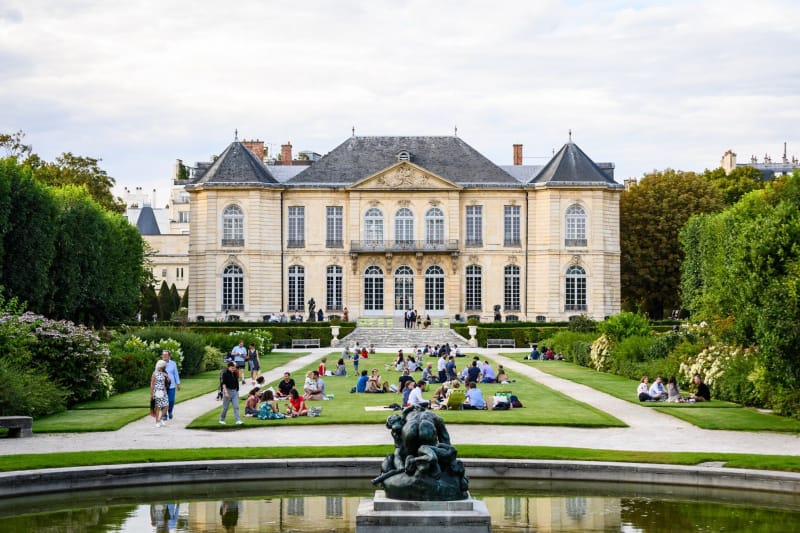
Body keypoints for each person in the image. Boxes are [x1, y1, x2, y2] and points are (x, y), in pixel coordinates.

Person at [161, 349, 181, 421]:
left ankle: (170, 411)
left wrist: (178, 383)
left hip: (172, 385)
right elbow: (155, 374)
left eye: (166, 355)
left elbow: (176, 374)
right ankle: (164, 415)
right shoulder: (159, 364)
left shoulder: (173, 363)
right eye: (163, 355)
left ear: (169, 356)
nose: (164, 356)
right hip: (162, 386)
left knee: (171, 400)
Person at [151, 360, 170, 427]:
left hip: (164, 391)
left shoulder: (164, 373)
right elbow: (152, 384)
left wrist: (167, 376)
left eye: (163, 367)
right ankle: (157, 422)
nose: (162, 368)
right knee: (158, 407)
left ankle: (160, 418)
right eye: (162, 366)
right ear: (159, 366)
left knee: (166, 406)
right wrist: (151, 394)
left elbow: (169, 381)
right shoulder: (154, 373)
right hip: (158, 391)